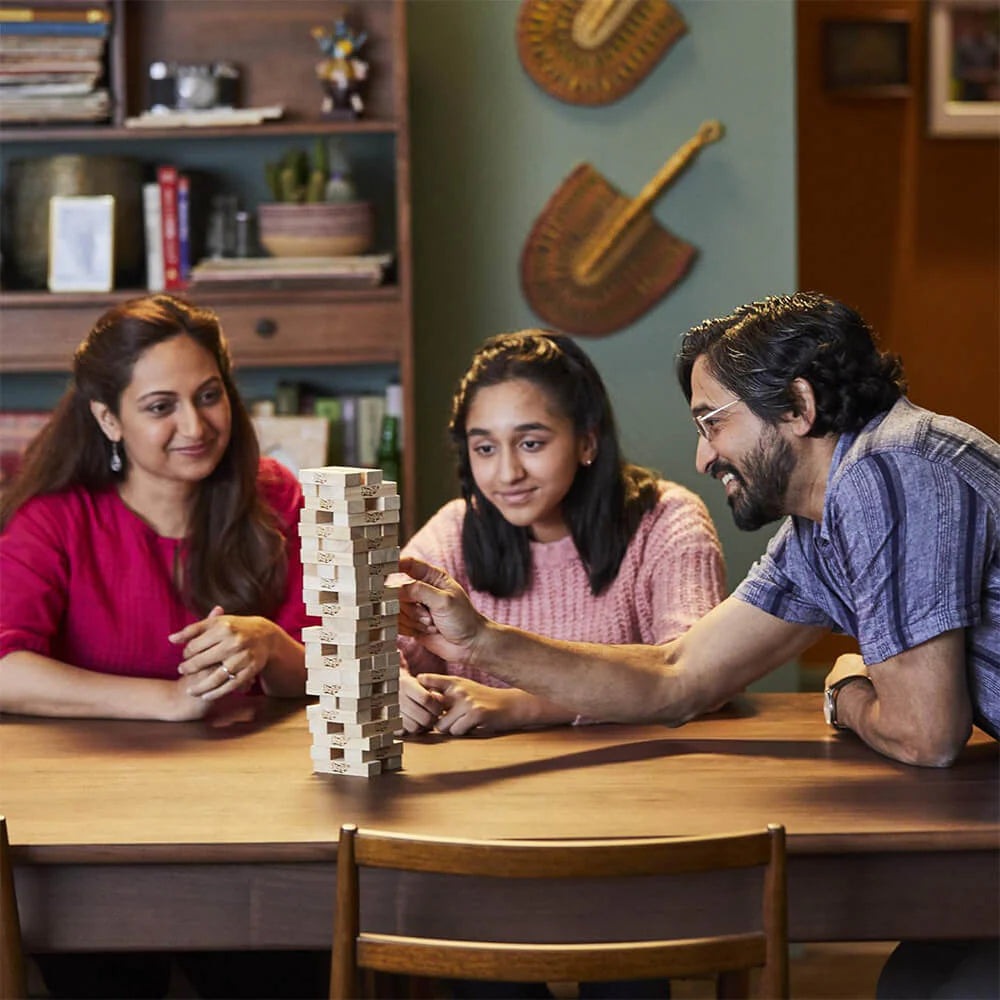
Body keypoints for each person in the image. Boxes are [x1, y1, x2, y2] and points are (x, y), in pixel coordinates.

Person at [399, 293, 999, 767]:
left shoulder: (888, 469)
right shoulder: (819, 532)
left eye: (711, 422)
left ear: (798, 406)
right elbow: (676, 676)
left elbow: (925, 737)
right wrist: (479, 640)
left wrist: (845, 692)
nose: (702, 458)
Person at [0, 294, 324, 997]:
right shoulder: (55, 520)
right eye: (160, 407)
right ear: (108, 417)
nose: (195, 426)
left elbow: (334, 668)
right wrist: (167, 701)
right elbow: (5, 668)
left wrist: (270, 645)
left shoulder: (277, 498)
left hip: (259, 828)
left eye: (210, 396)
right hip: (95, 838)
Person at [398, 330, 726, 737]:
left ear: (587, 440)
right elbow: (378, 641)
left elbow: (704, 679)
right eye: (485, 449)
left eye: (531, 443)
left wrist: (525, 706)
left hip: (633, 782)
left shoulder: (666, 521)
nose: (507, 473)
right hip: (481, 790)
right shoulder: (452, 530)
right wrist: (389, 685)